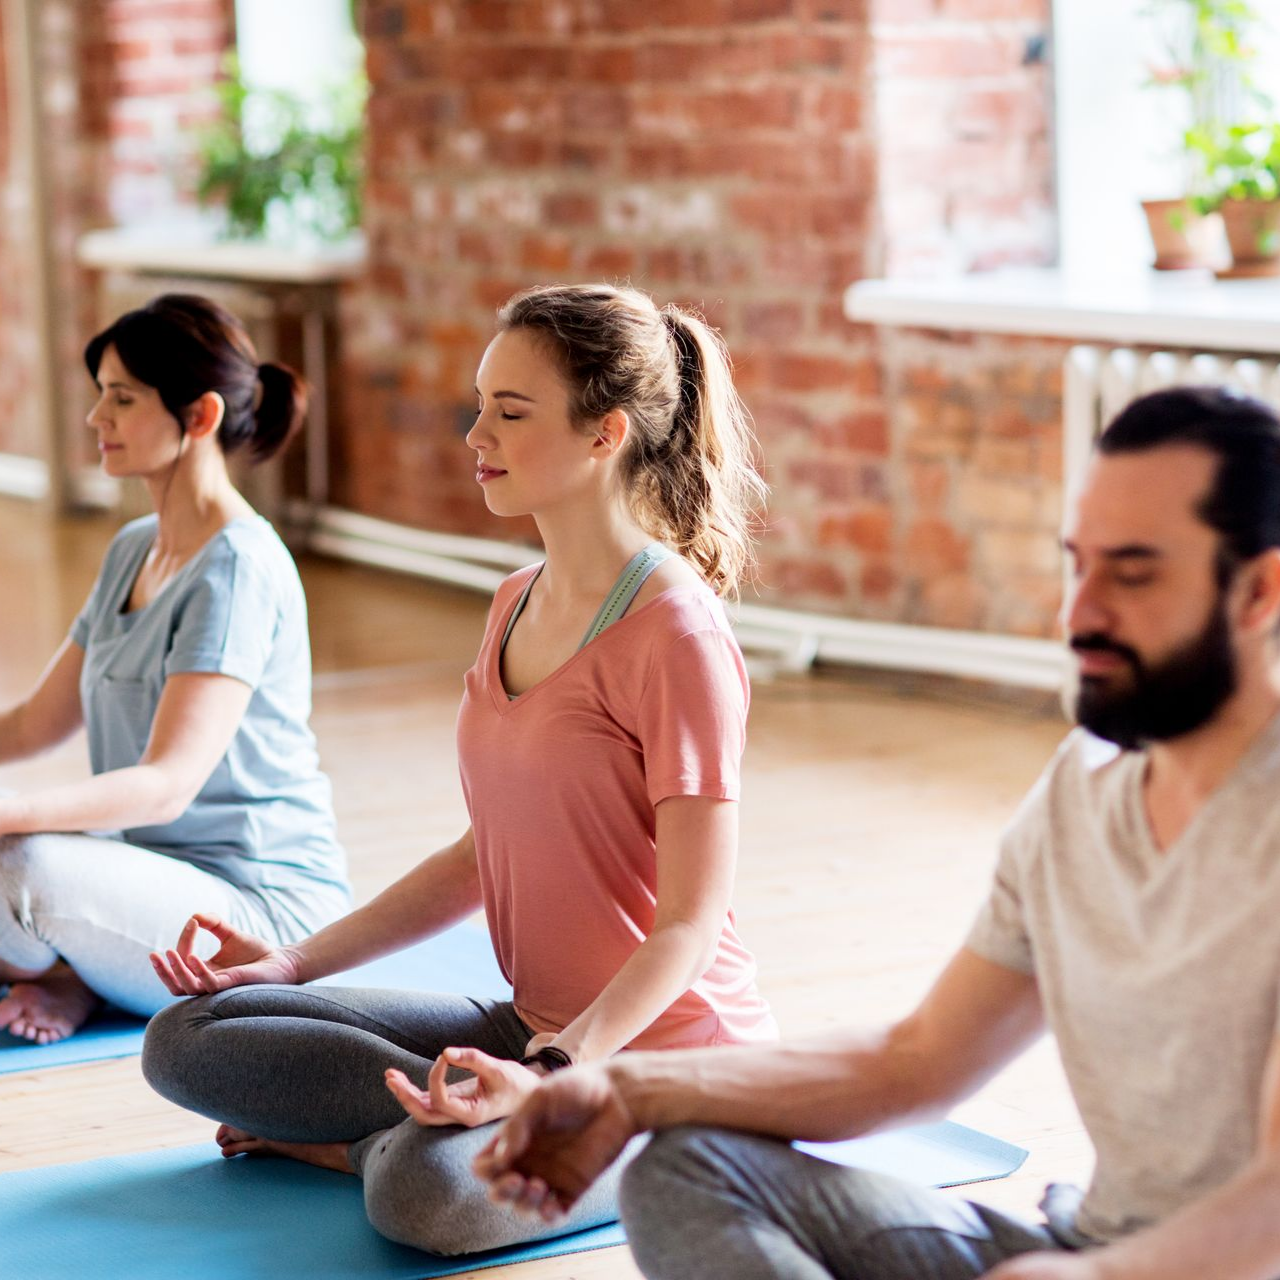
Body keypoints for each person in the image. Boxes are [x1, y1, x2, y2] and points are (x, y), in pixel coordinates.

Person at [476, 385, 1280, 1280]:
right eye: (1077, 566)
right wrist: (625, 1089)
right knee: (687, 1167)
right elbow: (919, 1059)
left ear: (1260, 590)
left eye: (1132, 575)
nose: (1079, 615)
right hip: (1085, 1243)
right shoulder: (1081, 795)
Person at [141, 282, 778, 1257]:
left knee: (419, 1193)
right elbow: (487, 852)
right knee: (189, 1032)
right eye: (480, 403)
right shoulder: (514, 600)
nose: (474, 431)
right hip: (527, 1023)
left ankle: (371, 1144)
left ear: (605, 433)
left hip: (655, 1067)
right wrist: (288, 961)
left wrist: (557, 1068)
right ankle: (438, 1112)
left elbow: (688, 925)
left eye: (509, 412)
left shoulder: (677, 634)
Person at [0, 294, 351, 1046]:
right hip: (146, 878)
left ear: (199, 417)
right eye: (101, 396)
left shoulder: (238, 569)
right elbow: (36, 723)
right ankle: (75, 973)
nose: (98, 419)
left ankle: (73, 974)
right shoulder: (135, 548)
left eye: (122, 400)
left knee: (19, 863)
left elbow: (166, 786)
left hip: (253, 911)